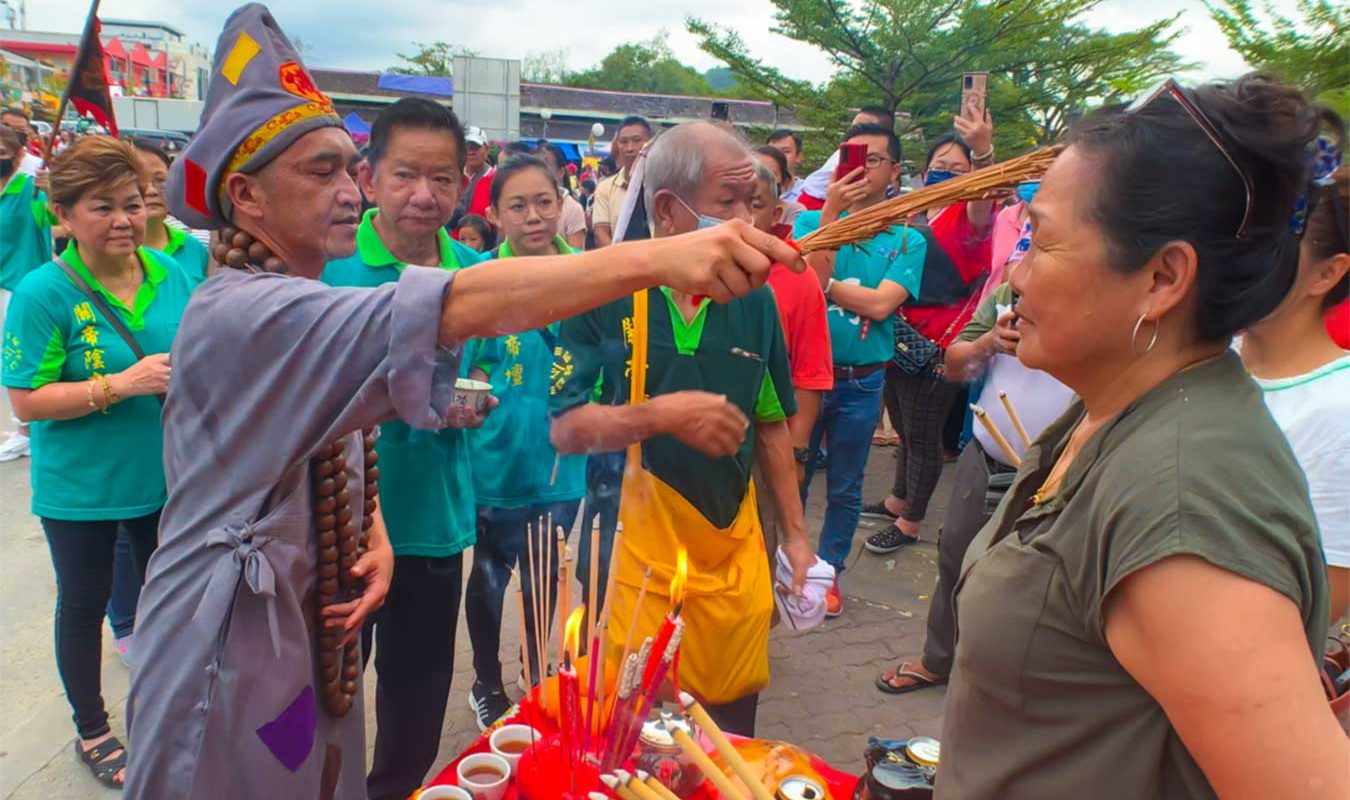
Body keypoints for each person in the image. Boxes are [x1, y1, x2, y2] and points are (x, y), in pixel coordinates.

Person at [123, 9, 802, 799]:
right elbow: (446, 306)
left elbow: (329, 434)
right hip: (229, 649)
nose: (352, 192)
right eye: (322, 173)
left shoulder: (289, 293)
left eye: (350, 168)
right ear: (244, 195)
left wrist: (368, 529)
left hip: (308, 627)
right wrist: (659, 256)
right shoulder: (242, 312)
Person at [939, 73, 1349, 799]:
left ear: (1163, 277)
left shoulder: (1187, 500)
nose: (1015, 275)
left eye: (1042, 242)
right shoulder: (1112, 405)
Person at [551, 122, 813, 736]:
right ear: (668, 210)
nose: (749, 223)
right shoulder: (608, 290)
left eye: (755, 204)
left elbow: (772, 428)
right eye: (728, 205)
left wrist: (797, 538)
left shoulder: (755, 301)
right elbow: (565, 428)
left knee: (726, 734)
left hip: (730, 543)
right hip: (630, 553)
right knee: (631, 733)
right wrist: (659, 415)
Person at [2, 135, 195, 789]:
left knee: (171, 605)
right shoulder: (43, 293)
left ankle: (171, 712)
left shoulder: (175, 275)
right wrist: (122, 383)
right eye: (102, 206)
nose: (123, 220)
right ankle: (92, 727)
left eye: (134, 203)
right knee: (84, 606)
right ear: (63, 214)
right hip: (80, 489)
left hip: (167, 478)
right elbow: (26, 401)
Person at [319, 97, 488, 800]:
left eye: (443, 179)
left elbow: (495, 373)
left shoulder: (477, 273)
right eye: (405, 175)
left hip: (433, 525)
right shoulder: (324, 268)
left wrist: (474, 403)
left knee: (417, 708)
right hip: (335, 527)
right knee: (317, 697)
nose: (425, 196)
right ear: (369, 176)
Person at [874, 267, 1074, 691]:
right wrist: (989, 344)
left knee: (1034, 584)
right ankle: (938, 660)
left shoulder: (1102, 307)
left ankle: (1002, 683)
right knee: (956, 557)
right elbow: (953, 365)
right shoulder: (1007, 294)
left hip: (1059, 473)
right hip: (987, 458)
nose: (1032, 258)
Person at [464, 154, 589, 729]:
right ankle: (486, 682)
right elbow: (463, 368)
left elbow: (609, 363)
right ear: (494, 214)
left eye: (544, 202)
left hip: (562, 466)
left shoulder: (592, 278)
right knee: (490, 576)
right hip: (496, 462)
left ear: (562, 204)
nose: (534, 216)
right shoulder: (477, 281)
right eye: (518, 205)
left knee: (546, 579)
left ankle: (534, 675)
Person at [796, 123, 927, 617]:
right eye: (853, 158)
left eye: (875, 160)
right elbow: (805, 282)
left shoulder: (908, 240)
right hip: (808, 378)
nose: (862, 168)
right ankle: (785, 567)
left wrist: (827, 287)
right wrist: (830, 213)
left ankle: (828, 574)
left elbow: (879, 306)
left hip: (861, 380)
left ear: (894, 172)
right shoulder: (812, 224)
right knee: (794, 477)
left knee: (846, 486)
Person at [862, 109, 997, 552]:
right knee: (902, 425)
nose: (946, 175)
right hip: (898, 335)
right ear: (923, 173)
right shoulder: (914, 211)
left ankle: (910, 522)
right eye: (939, 167)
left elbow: (981, 196)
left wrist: (982, 153)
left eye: (956, 169)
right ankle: (899, 497)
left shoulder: (972, 219)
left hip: (938, 344)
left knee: (924, 436)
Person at [1241, 155, 1349, 624]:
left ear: (1327, 274)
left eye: (1269, 248)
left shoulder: (1340, 410)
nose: (1237, 260)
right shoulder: (1198, 352)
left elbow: (1321, 601)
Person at [749, 160, 832, 558]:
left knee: (758, 546)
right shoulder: (690, 267)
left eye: (755, 204)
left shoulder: (796, 276)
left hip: (766, 445)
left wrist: (797, 454)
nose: (741, 216)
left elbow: (810, 375)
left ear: (776, 213)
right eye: (727, 201)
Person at [0, 125, 55, 463]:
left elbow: (47, 223)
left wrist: (47, 194)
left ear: (19, 153)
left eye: (3, 153)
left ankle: (26, 431)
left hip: (17, 285)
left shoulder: (29, 187)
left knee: (15, 361)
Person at [131, 140, 211, 285]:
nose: (151, 191)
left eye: (160, 180)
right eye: (139, 181)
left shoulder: (195, 248)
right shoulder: (110, 252)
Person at [794, 105, 895, 209]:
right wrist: (831, 209)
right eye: (854, 127)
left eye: (872, 160)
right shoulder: (845, 152)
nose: (857, 131)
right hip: (817, 202)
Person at [591, 116, 652, 247]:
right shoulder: (605, 189)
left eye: (637, 140)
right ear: (617, 145)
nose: (630, 148)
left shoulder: (664, 185)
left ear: (650, 143)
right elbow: (600, 233)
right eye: (624, 142)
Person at [536, 141, 587, 249]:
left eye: (545, 168)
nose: (538, 174)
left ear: (560, 172)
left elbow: (575, 257)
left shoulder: (573, 208)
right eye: (535, 168)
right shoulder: (523, 205)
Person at [755, 145, 805, 228]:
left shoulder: (794, 211)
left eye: (771, 175)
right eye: (755, 172)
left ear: (784, 181)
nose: (760, 180)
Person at [1, 107, 44, 176]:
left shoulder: (38, 166)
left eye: (20, 129)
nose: (12, 133)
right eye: (7, 128)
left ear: (27, 132)